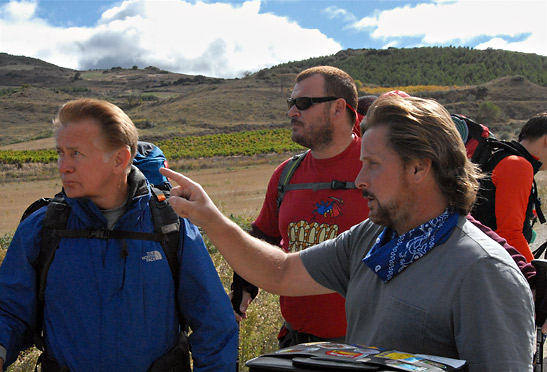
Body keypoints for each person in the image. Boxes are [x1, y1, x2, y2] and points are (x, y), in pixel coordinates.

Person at [160, 95, 535, 372]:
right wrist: (210, 217)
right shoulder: (372, 239)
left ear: (420, 168)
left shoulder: (483, 272)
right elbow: (282, 272)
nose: (359, 180)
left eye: (372, 165)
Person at [0, 99, 238, 371]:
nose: (63, 166)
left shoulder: (170, 226)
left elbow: (215, 325)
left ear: (119, 159)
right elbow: (9, 311)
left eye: (76, 153)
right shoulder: (42, 228)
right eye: (60, 153)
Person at [232, 65, 369, 347]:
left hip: (364, 346)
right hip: (297, 343)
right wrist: (242, 287)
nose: (292, 112)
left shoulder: (376, 169)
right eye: (291, 103)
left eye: (303, 104)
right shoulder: (286, 176)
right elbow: (263, 236)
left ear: (338, 108)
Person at [472, 112, 547, 262]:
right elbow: (510, 235)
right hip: (488, 264)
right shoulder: (518, 165)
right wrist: (534, 277)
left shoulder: (500, 156)